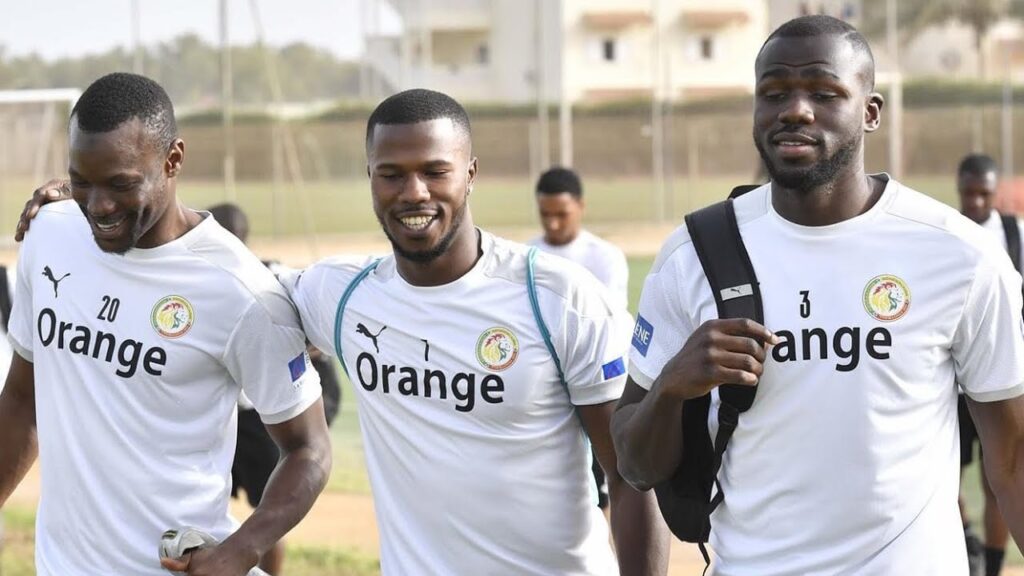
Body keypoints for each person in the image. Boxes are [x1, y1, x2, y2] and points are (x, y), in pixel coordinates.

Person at [611, 15, 1024, 575]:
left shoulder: (957, 254)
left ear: (870, 111)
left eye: (824, 93)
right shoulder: (694, 253)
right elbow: (634, 465)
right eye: (773, 92)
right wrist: (670, 387)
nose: (796, 110)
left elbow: (1012, 461)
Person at [282, 89, 668, 574]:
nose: (414, 192)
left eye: (435, 171)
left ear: (470, 173)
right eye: (391, 174)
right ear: (370, 178)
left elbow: (631, 474)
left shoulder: (557, 297)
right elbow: (239, 295)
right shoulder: (340, 294)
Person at [0, 73, 332, 576]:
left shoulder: (240, 290)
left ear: (173, 159)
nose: (99, 206)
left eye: (121, 184)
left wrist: (241, 550)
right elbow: (23, 402)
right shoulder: (48, 234)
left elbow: (309, 449)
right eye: (82, 181)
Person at [207, 202, 342, 575]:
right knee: (211, 501)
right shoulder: (203, 280)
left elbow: (312, 327)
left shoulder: (266, 279)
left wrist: (304, 348)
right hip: (227, 414)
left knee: (266, 514)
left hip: (268, 417)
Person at [528, 166, 630, 512]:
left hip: (595, 377)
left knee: (609, 476)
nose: (553, 224)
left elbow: (607, 325)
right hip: (545, 379)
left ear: (580, 207)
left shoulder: (604, 257)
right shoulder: (528, 258)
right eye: (545, 215)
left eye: (562, 214)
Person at [956, 153, 1021, 576]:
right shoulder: (945, 233)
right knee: (945, 477)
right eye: (969, 193)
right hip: (955, 385)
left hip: (1003, 379)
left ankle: (993, 567)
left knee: (1001, 475)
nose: (976, 202)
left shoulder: (1015, 234)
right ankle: (968, 543)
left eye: (985, 193)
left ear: (997, 192)